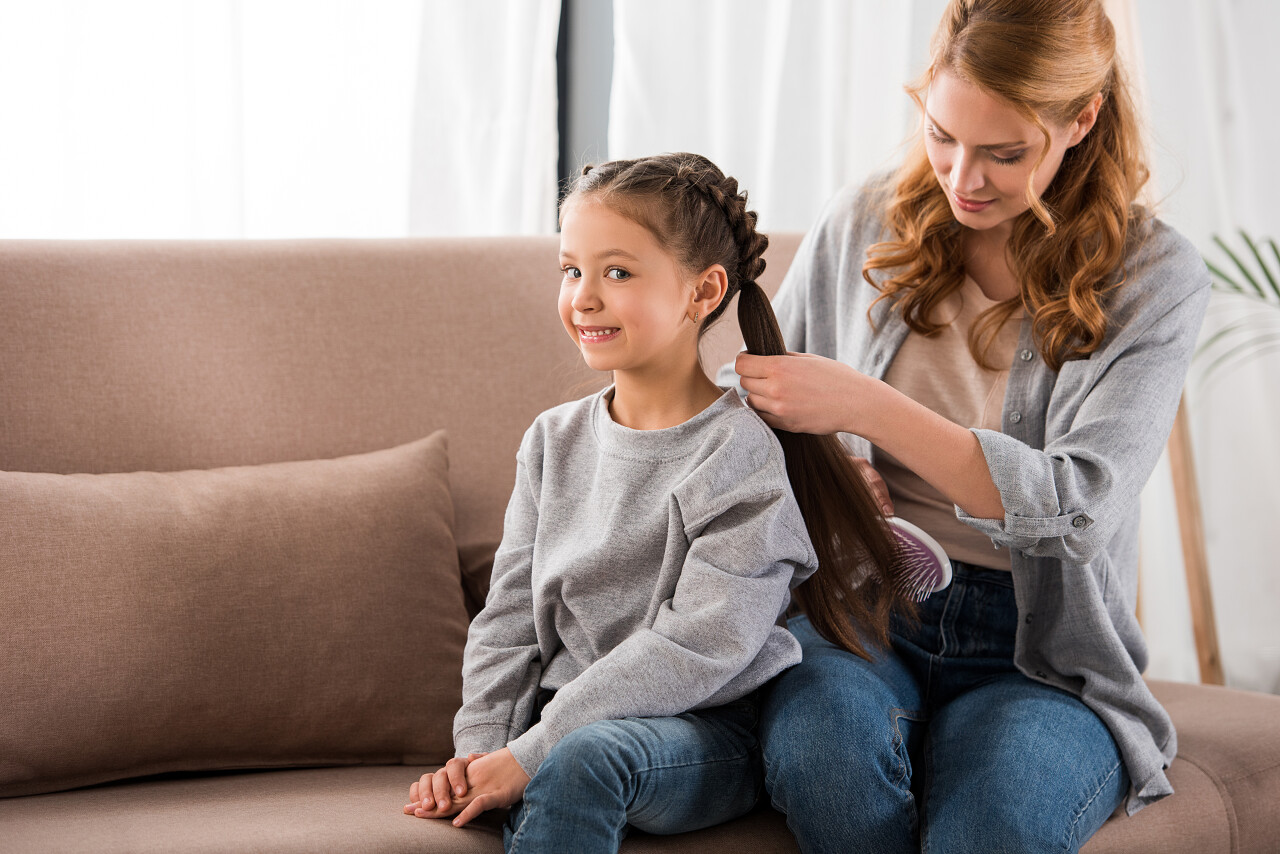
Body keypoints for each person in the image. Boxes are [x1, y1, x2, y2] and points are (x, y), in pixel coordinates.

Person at [719, 1, 1211, 852]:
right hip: (864, 607)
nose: (963, 177)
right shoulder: (864, 220)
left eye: (1004, 153)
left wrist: (864, 409)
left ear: (1081, 120)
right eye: (943, 134)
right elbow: (750, 409)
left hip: (1042, 653)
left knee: (994, 828)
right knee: (821, 764)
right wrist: (832, 462)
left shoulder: (1155, 278)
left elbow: (1079, 508)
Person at [402, 152, 912, 853]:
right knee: (569, 756)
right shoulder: (551, 441)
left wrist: (534, 751)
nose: (583, 296)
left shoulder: (741, 454)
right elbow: (509, 618)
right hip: (562, 718)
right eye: (571, 269)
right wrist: (481, 750)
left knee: (584, 760)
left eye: (617, 272)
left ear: (703, 292)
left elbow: (696, 646)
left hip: (703, 730)